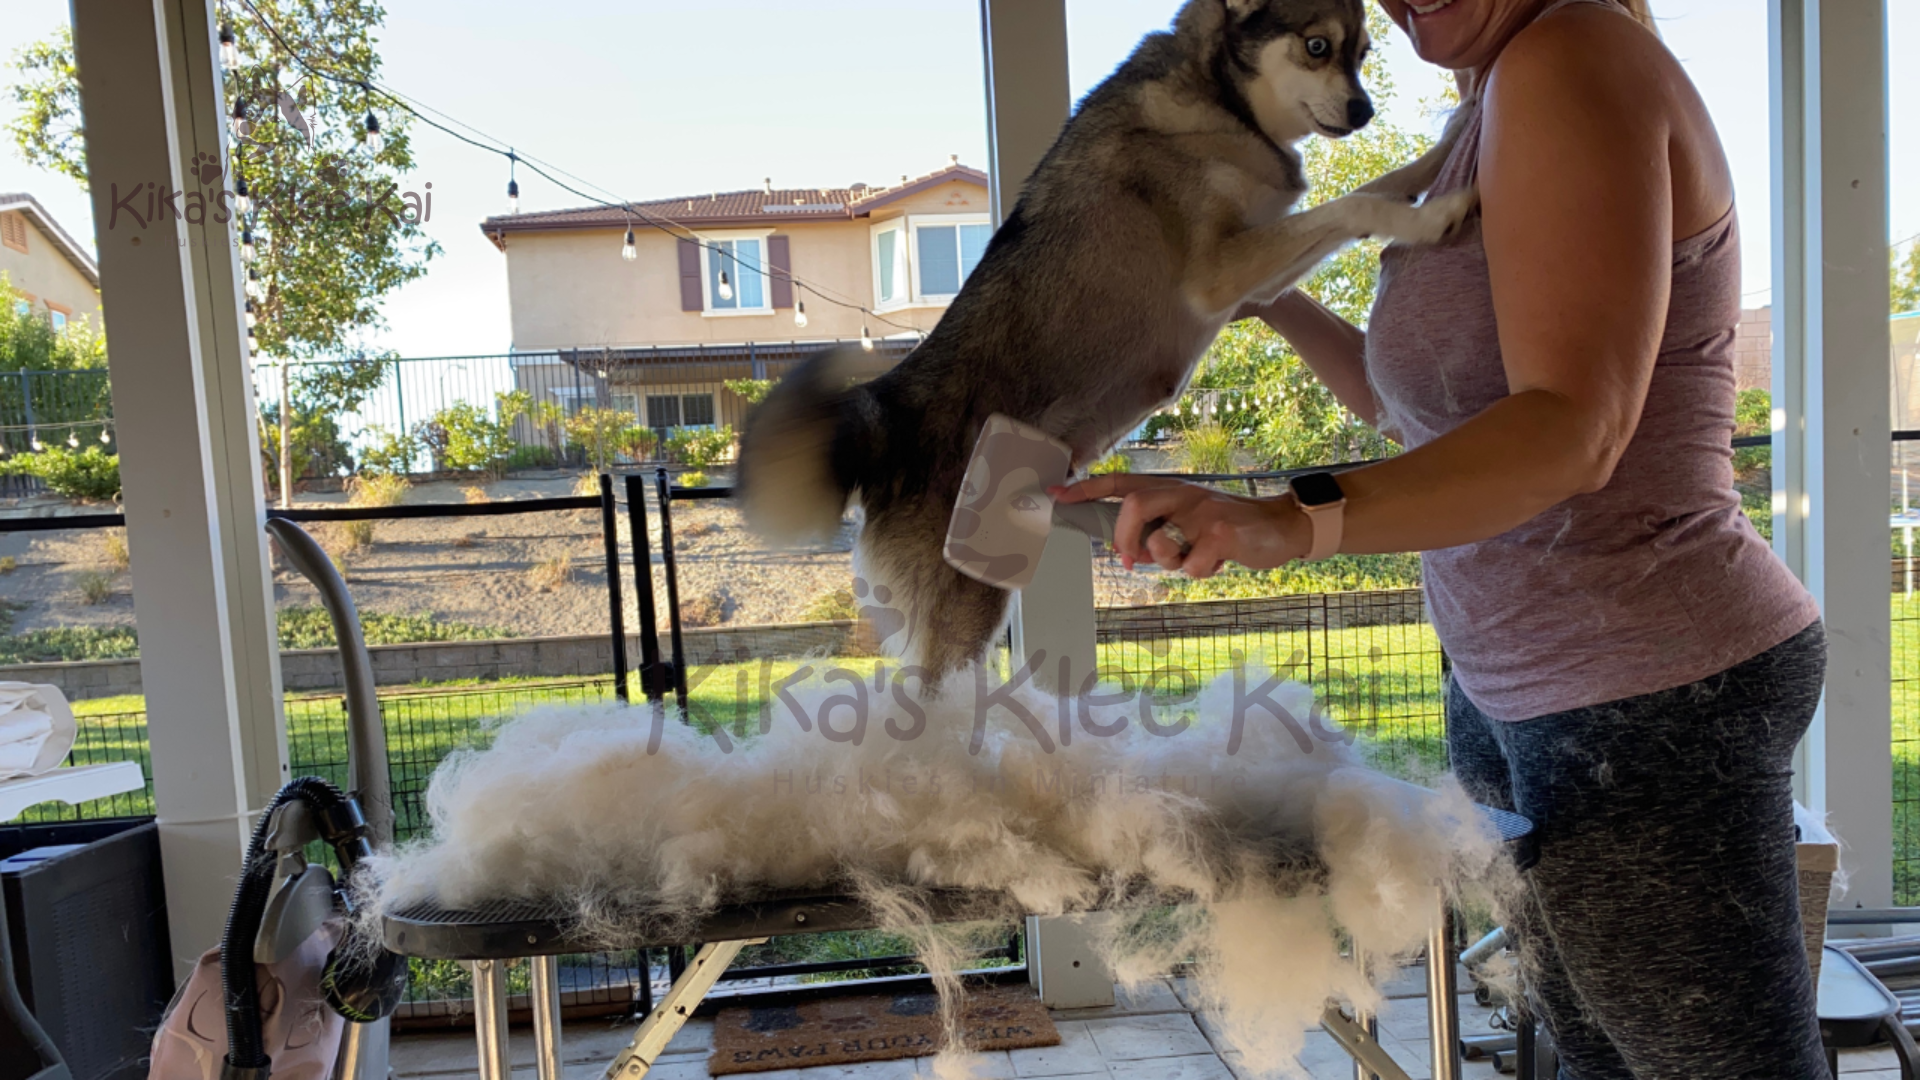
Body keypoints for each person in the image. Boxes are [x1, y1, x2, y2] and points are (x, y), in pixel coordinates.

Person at [1054, 0, 1828, 1074]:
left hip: (1645, 686)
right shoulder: (1490, 105)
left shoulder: (1570, 55)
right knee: (1595, 1060)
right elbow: (1414, 413)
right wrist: (1259, 295)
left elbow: (1571, 430)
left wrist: (1282, 519)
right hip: (1521, 686)